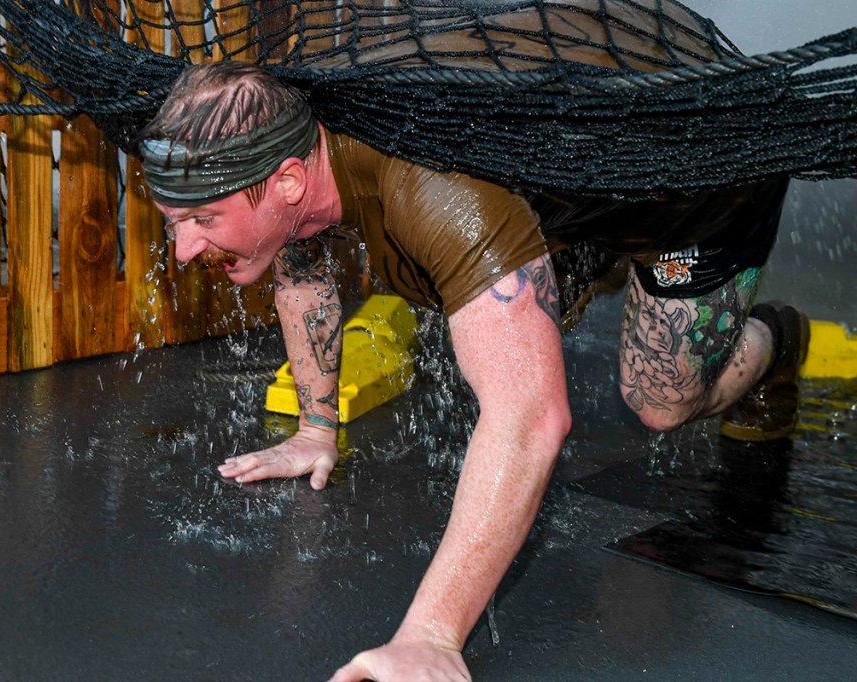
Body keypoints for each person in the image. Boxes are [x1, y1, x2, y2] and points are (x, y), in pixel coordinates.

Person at [135, 35, 807, 682]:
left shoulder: (436, 192)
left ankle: (778, 342)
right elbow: (301, 268)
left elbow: (531, 417)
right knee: (544, 294)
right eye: (175, 222)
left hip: (698, 181)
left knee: (659, 402)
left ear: (287, 182)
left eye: (204, 220)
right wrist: (316, 430)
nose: (186, 249)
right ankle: (597, 251)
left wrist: (429, 637)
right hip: (580, 174)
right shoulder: (296, 158)